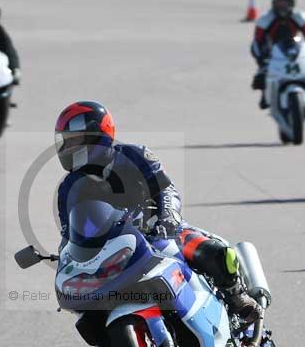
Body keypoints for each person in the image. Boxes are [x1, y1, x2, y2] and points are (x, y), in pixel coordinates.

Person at [54, 101, 262, 326]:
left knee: (218, 253)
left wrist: (168, 219)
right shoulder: (69, 186)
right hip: (113, 249)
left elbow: (166, 190)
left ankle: (238, 296)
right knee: (89, 316)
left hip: (159, 232)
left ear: (98, 135)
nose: (68, 148)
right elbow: (69, 232)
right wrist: (68, 258)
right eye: (65, 141)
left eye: (74, 140)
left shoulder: (135, 155)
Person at [251, 0, 305, 109]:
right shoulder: (265, 20)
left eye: (286, 2)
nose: (282, 6)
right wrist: (262, 61)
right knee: (260, 78)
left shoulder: (300, 17)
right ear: (273, 3)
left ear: (292, 3)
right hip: (272, 51)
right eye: (279, 2)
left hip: (294, 47)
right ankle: (265, 93)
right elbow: (257, 43)